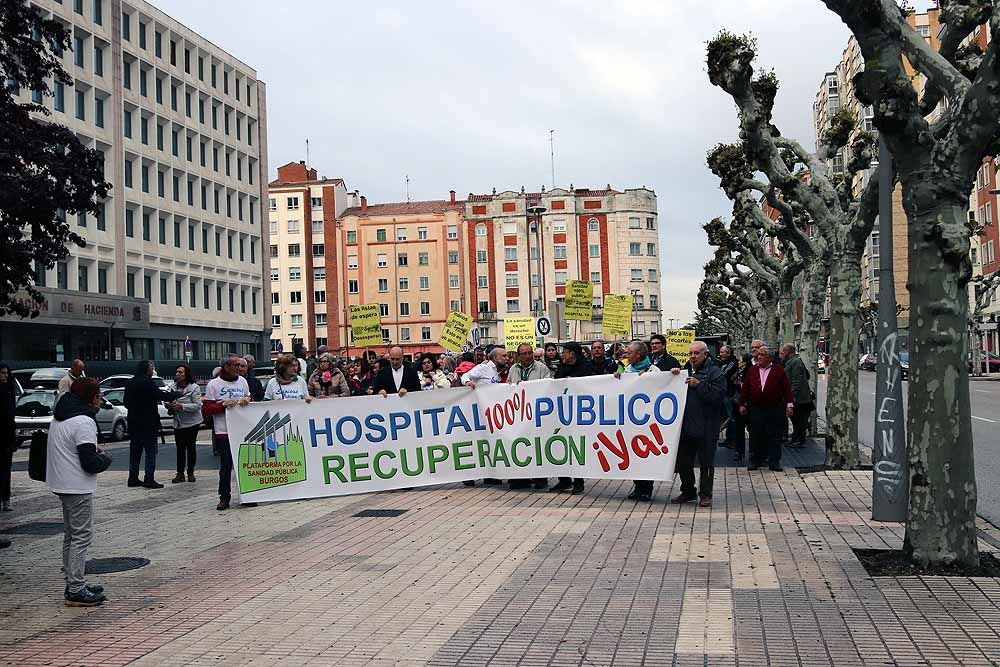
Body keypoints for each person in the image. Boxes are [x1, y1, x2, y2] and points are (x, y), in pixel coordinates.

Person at [47, 377, 112, 606]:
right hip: (77, 485)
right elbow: (89, 462)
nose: (99, 401)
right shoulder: (83, 421)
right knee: (82, 536)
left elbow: (75, 449)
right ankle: (75, 588)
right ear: (90, 397)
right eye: (97, 396)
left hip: (61, 482)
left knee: (71, 535)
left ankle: (72, 580)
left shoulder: (60, 416)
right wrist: (105, 459)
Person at [670, 342, 726, 507]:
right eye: (691, 353)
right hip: (687, 426)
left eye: (696, 353)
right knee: (683, 461)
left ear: (705, 354)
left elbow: (718, 396)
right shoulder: (684, 371)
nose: (693, 357)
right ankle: (688, 491)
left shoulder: (715, 373)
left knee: (706, 462)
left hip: (707, 427)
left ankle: (705, 494)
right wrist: (673, 376)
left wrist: (699, 385)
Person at [612, 342, 661, 501]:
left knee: (646, 454)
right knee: (633, 454)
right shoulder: (626, 370)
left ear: (638, 355)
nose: (626, 355)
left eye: (629, 352)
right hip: (631, 421)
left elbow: (661, 389)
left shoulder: (654, 371)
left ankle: (647, 488)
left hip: (647, 421)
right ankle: (638, 486)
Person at [202, 355, 252, 510]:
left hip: (242, 429)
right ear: (226, 367)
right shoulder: (214, 385)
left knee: (245, 464)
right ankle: (224, 497)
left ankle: (248, 495)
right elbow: (206, 409)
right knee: (226, 465)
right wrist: (223, 405)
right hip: (224, 431)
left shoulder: (243, 382)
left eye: (240, 365)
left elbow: (250, 398)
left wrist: (248, 400)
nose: (239, 368)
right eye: (236, 365)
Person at [740, 346, 794, 472]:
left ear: (770, 357)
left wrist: (790, 405)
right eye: (758, 354)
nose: (759, 357)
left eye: (762, 355)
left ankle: (774, 462)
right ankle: (755, 460)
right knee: (755, 435)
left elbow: (787, 389)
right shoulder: (752, 370)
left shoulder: (779, 370)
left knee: (774, 436)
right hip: (756, 409)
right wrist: (742, 404)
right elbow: (745, 388)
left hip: (774, 409)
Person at [551, 342, 593, 494]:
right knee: (560, 446)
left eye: (565, 352)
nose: (562, 355)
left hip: (580, 414)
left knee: (576, 448)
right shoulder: (562, 366)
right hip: (562, 412)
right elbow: (556, 382)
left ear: (573, 354)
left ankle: (579, 482)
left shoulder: (586, 366)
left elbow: (592, 384)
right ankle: (564, 480)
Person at [124, 360, 165, 489]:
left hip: (134, 423)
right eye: (152, 368)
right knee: (150, 452)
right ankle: (149, 479)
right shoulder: (148, 382)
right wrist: (177, 394)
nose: (153, 371)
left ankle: (133, 477)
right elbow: (160, 395)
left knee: (135, 452)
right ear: (147, 370)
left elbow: (126, 402)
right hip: (148, 423)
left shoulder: (130, 382)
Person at [168, 365, 202, 484]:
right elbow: (167, 399)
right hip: (179, 422)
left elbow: (198, 405)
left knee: (191, 447)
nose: (178, 374)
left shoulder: (194, 388)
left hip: (192, 422)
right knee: (180, 448)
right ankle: (180, 473)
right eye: (176, 372)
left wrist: (182, 406)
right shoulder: (172, 387)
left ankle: (191, 471)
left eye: (180, 372)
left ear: (186, 374)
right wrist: (169, 405)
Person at [780, 343, 812, 446]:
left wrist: (791, 398)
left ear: (788, 352)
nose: (782, 354)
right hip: (797, 397)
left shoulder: (795, 362)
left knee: (798, 419)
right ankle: (796, 438)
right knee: (796, 420)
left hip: (799, 398)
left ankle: (799, 439)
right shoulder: (791, 362)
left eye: (783, 352)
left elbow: (796, 381)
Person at [727, 353, 753, 463]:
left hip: (749, 405)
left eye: (741, 361)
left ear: (745, 363)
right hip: (737, 404)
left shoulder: (751, 373)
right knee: (739, 429)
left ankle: (753, 451)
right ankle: (739, 451)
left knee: (752, 429)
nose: (738, 363)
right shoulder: (738, 373)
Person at [0, 363, 15, 512]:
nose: (5, 376)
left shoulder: (9, 390)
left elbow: (11, 417)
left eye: (6, 373)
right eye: (2, 373)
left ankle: (6, 498)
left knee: (6, 469)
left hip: (7, 437)